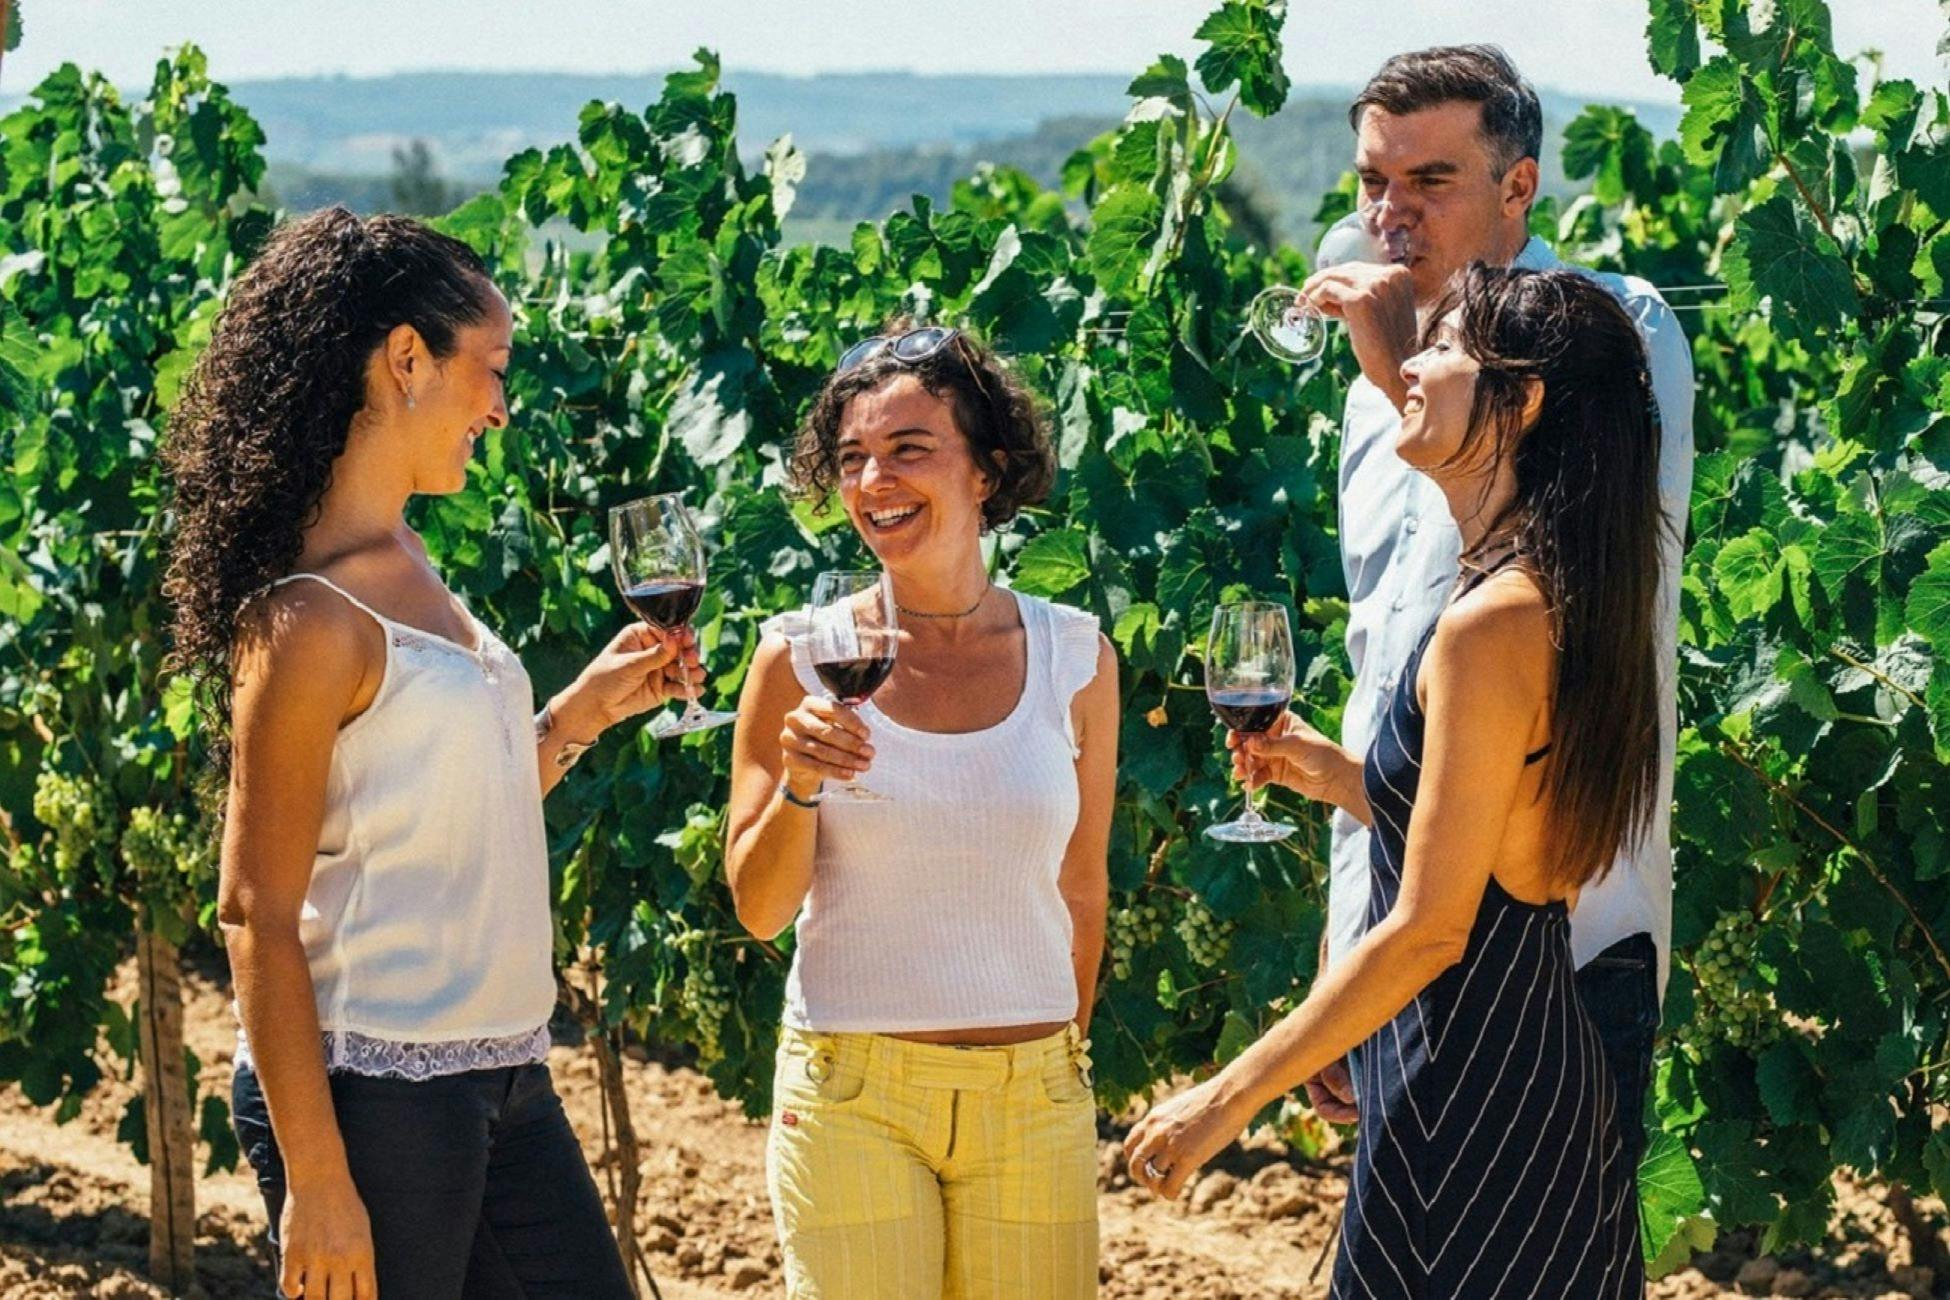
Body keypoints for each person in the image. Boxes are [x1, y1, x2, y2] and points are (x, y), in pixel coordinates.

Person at [163, 206, 697, 1299]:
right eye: (489, 368)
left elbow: (442, 813)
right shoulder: (309, 618)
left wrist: (578, 718)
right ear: (406, 358)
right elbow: (254, 908)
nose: (500, 409)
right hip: (374, 1092)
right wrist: (317, 1179)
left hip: (502, 1071)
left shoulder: (405, 555)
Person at [1128, 263, 1664, 1295]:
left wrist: (1227, 1097)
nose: (1408, 365)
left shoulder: (1489, 622)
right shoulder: (1551, 588)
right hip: (1524, 1077)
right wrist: (1340, 774)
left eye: (1443, 347)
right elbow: (1511, 841)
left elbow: (1432, 927)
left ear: (1526, 397)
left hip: (1468, 1093)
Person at [1257, 45, 1695, 1171]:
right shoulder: (1382, 392)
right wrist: (1345, 949)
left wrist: (1403, 369)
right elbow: (1381, 677)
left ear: (1519, 188)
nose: (1388, 214)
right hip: (1401, 925)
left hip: (1559, 935)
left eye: (1429, 182)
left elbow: (1555, 566)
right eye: (1371, 183)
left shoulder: (1614, 332)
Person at [725, 323, 1118, 1299]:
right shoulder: (797, 657)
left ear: (987, 468)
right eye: (852, 458)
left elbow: (1081, 885)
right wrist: (801, 783)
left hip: (1034, 1095)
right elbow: (759, 907)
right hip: (852, 1093)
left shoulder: (1078, 659)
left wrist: (1058, 1061)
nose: (873, 482)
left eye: (908, 450)